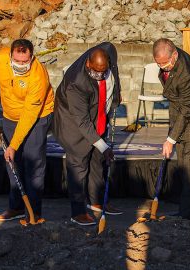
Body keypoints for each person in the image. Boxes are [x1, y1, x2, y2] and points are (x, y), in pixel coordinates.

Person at [0, 39, 54, 223]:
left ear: (32, 57)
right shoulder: (0, 59)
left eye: (25, 62)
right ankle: (16, 207)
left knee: (33, 161)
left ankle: (34, 211)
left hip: (37, 117)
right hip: (10, 116)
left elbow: (30, 114)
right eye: (17, 61)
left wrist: (13, 145)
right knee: (11, 161)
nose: (21, 65)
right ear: (10, 56)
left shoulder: (38, 76)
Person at [53, 42, 122, 226]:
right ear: (88, 64)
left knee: (97, 161)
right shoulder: (75, 83)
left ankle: (97, 201)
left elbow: (114, 71)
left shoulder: (109, 53)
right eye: (96, 72)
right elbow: (82, 122)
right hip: (73, 124)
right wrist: (103, 146)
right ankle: (78, 212)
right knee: (79, 167)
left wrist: (116, 96)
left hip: (97, 115)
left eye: (103, 71)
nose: (100, 76)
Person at [152, 38, 190, 221]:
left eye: (166, 63)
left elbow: (187, 109)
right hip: (181, 118)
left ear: (175, 55)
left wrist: (170, 139)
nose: (164, 67)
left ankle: (189, 216)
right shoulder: (169, 57)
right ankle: (184, 211)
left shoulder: (188, 73)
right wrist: (173, 135)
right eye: (159, 64)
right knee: (183, 167)